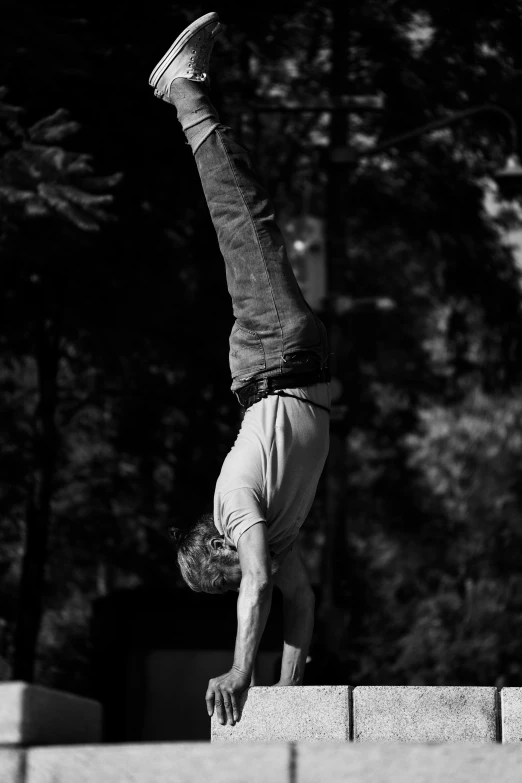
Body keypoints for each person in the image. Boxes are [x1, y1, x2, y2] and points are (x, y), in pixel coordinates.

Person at [149, 11, 331, 727]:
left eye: (213, 574)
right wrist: (285, 697)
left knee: (241, 216)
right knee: (251, 218)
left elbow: (258, 584)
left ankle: (183, 91)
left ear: (214, 542)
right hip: (296, 358)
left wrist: (237, 669)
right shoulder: (273, 540)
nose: (231, 580)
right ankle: (186, 94)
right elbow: (301, 601)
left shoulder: (234, 504)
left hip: (273, 353)